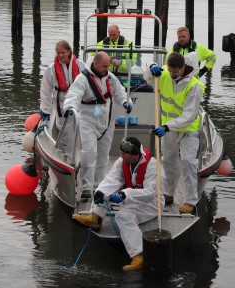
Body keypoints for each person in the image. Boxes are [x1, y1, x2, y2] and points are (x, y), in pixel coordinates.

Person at [73, 136, 162, 271]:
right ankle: (95, 217)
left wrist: (125, 194)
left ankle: (138, 255)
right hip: (131, 196)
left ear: (135, 155)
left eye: (124, 153)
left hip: (151, 203)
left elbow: (150, 193)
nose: (121, 156)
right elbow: (112, 179)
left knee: (123, 216)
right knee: (104, 193)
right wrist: (100, 192)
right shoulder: (122, 161)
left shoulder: (152, 165)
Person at [63, 51, 133, 201]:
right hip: (88, 121)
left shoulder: (110, 77)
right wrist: (69, 107)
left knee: (103, 156)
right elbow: (73, 95)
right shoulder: (82, 79)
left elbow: (120, 92)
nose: (106, 69)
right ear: (95, 64)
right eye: (104, 66)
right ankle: (86, 187)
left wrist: (126, 103)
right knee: (89, 153)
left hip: (106, 122)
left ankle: (98, 186)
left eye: (108, 66)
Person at [145, 52, 205, 214]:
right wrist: (152, 68)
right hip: (168, 128)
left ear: (183, 67)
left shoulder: (194, 86)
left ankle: (190, 201)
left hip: (187, 130)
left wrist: (167, 127)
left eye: (175, 72)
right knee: (168, 161)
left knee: (187, 163)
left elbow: (189, 116)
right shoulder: (164, 75)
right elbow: (148, 78)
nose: (172, 75)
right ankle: (168, 193)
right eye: (170, 71)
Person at [40, 39, 85, 128]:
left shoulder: (80, 65)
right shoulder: (51, 68)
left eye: (63, 52)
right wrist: (45, 109)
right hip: (60, 100)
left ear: (69, 52)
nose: (60, 55)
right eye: (58, 53)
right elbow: (45, 89)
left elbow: (88, 82)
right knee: (62, 125)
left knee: (78, 122)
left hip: (77, 98)